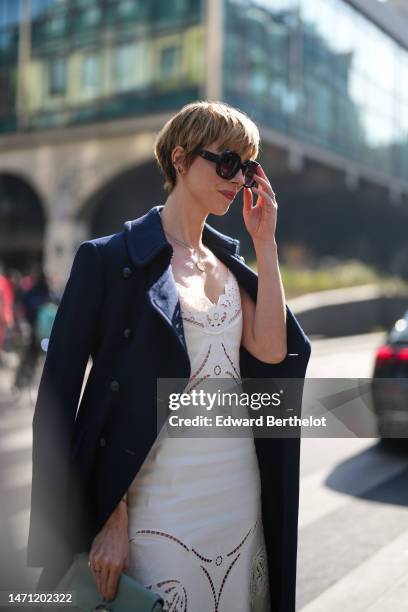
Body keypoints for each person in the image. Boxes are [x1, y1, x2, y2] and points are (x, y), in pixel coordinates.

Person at [27, 101, 311, 612]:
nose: (238, 178)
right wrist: (105, 518)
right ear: (180, 159)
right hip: (157, 507)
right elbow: (56, 404)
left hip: (237, 492)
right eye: (227, 162)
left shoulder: (230, 261)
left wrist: (265, 243)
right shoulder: (108, 260)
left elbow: (271, 351)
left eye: (247, 166)